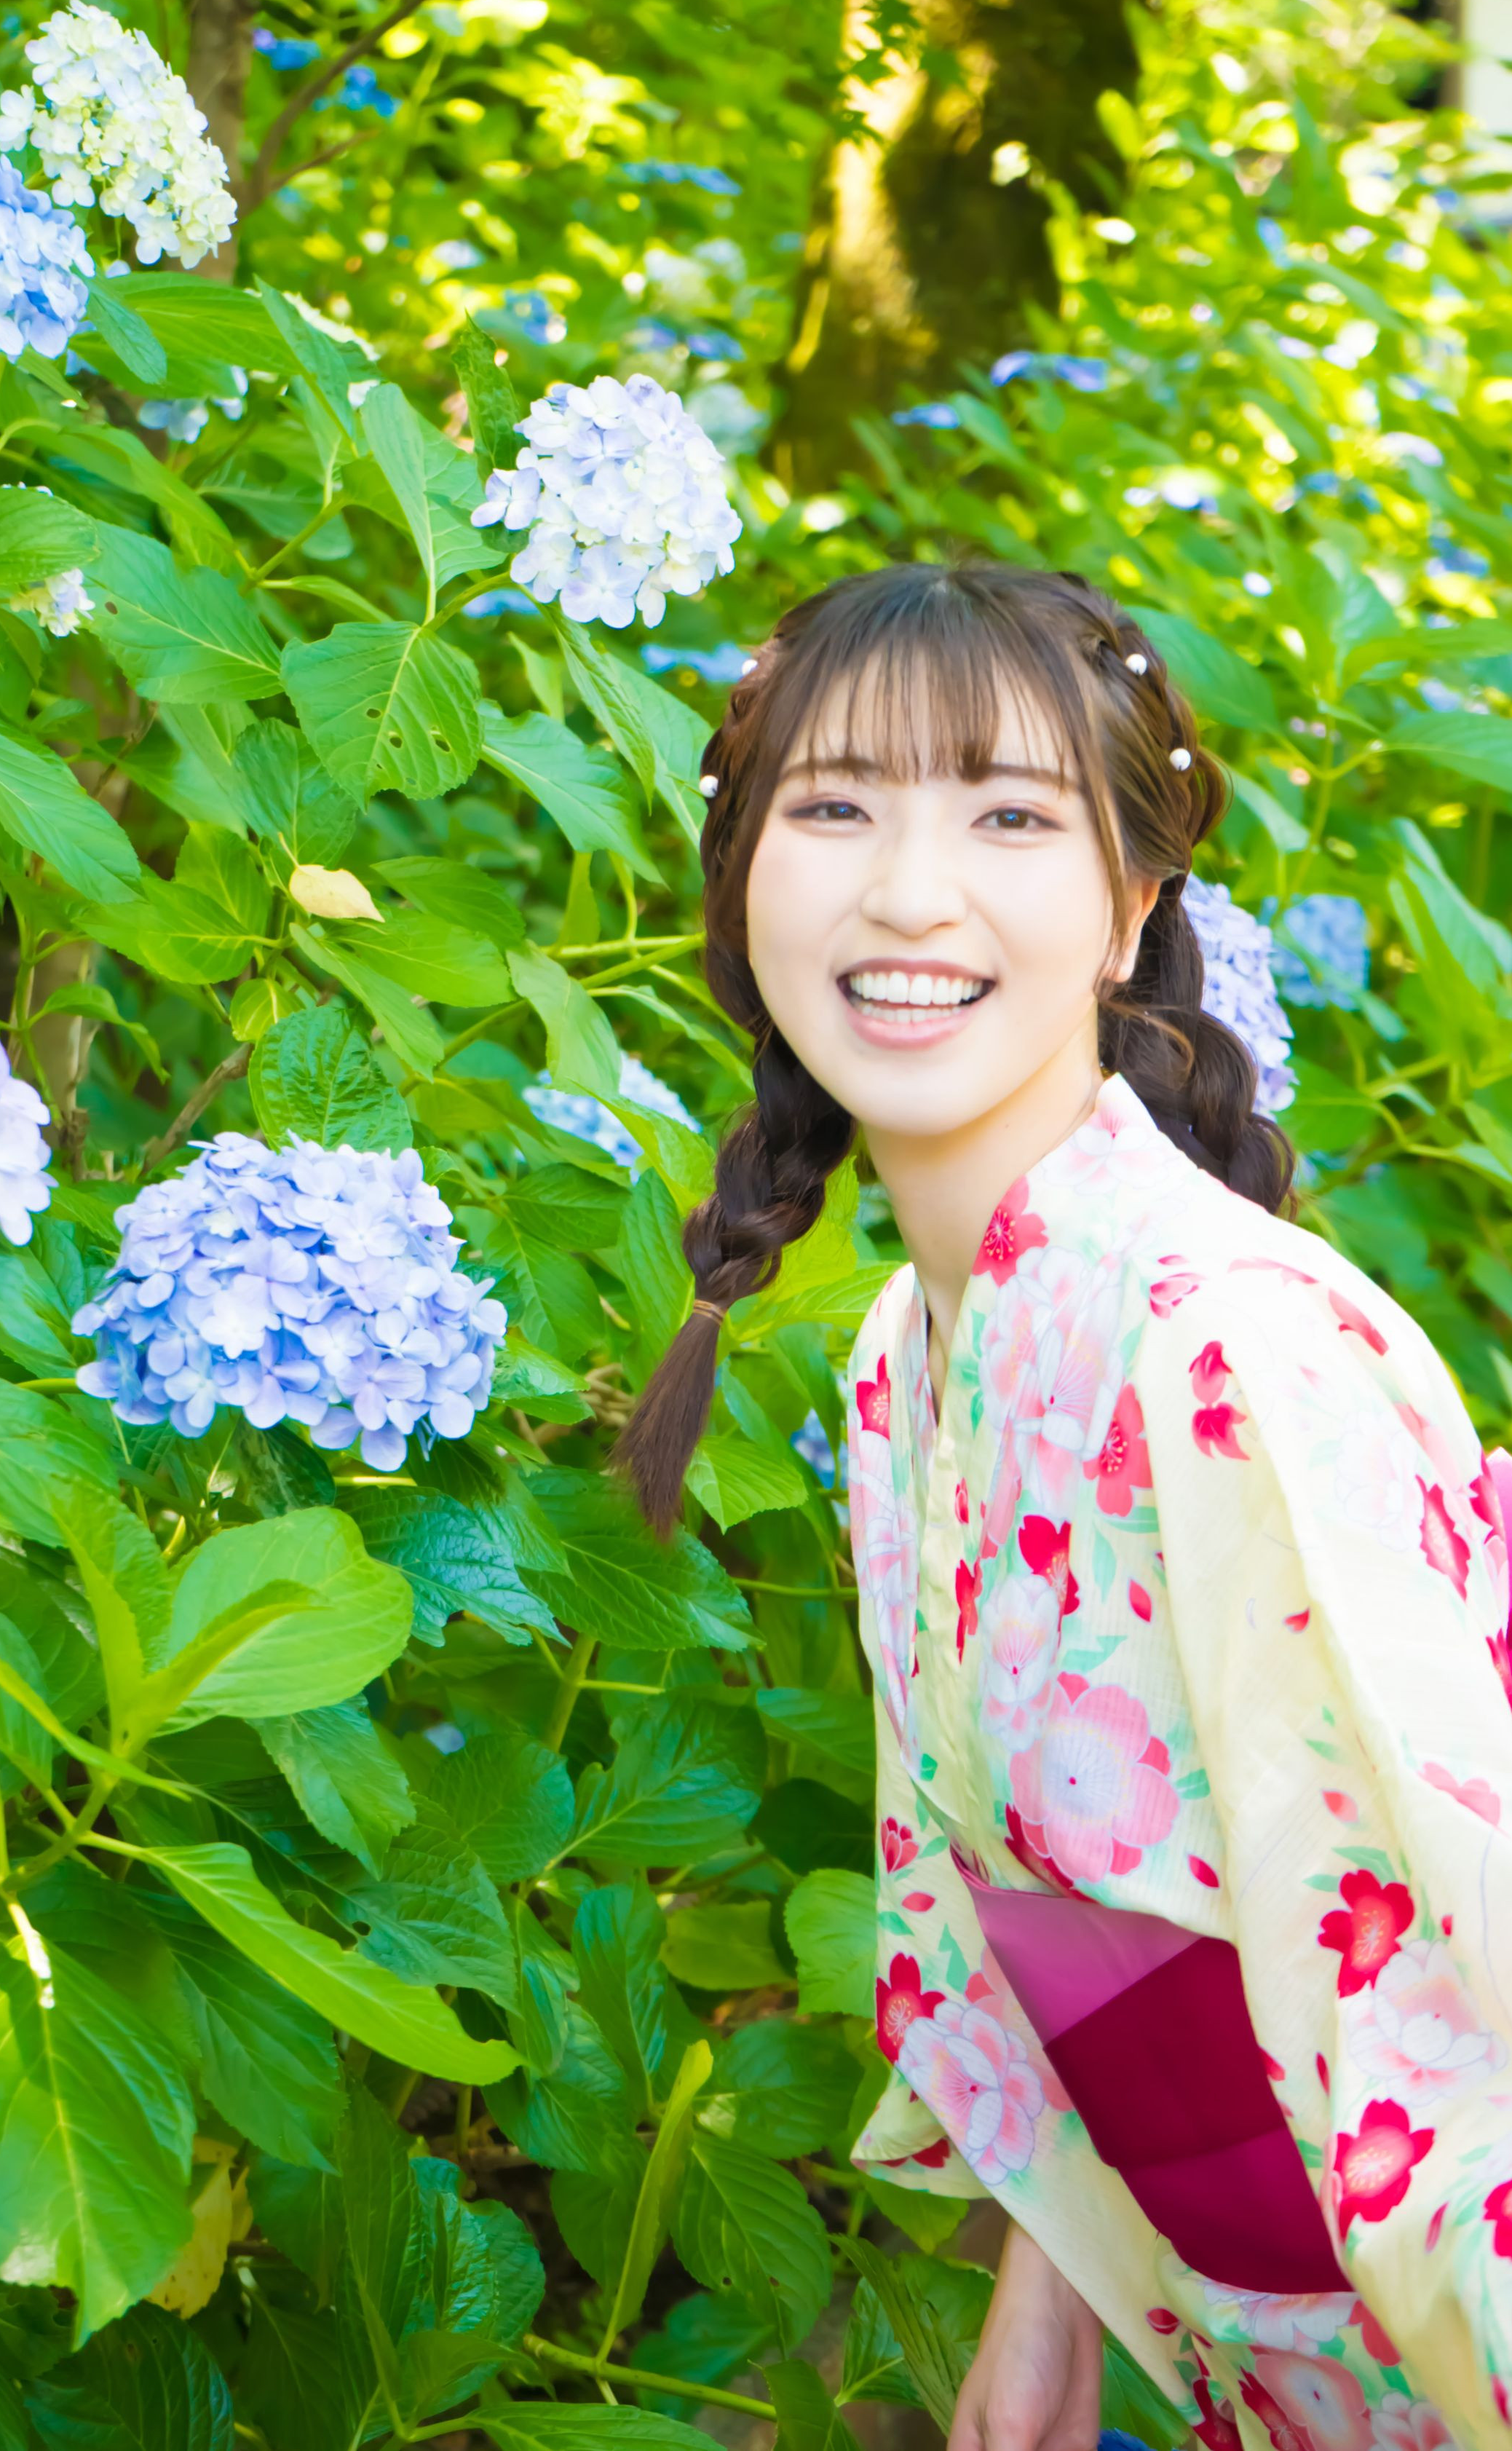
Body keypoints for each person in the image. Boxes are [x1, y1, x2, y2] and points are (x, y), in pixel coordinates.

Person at [617, 561, 1512, 2450]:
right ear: (741, 878)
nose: (908, 892)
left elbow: (1451, 1995)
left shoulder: (1226, 1347)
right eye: (833, 807)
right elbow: (1093, 1908)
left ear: (1130, 907)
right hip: (1248, 2341)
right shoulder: (904, 1351)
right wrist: (1053, 2289)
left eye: (1008, 817)